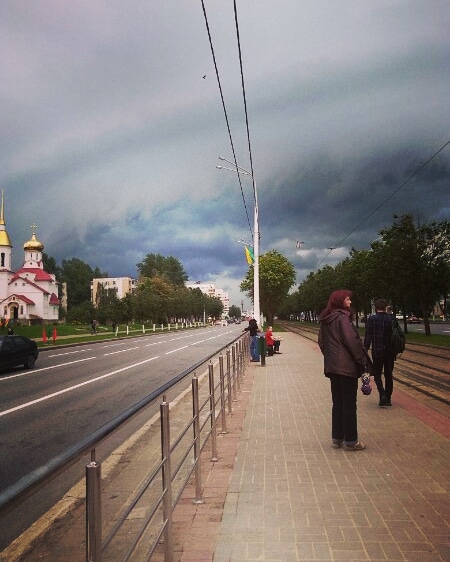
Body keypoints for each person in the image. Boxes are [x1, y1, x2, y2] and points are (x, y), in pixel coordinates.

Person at [318, 289, 368, 451]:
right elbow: (351, 341)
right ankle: (352, 441)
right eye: (348, 300)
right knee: (349, 403)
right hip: (347, 368)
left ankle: (337, 437)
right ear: (340, 301)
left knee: (337, 402)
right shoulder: (343, 318)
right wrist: (361, 362)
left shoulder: (326, 319)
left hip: (333, 368)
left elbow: (322, 342)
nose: (350, 302)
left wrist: (331, 358)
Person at [364, 298, 395, 407]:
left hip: (377, 351)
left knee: (377, 374)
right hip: (390, 352)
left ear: (376, 308)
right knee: (388, 374)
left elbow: (368, 336)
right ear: (386, 307)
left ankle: (382, 394)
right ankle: (388, 398)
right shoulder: (391, 319)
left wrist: (365, 349)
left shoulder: (371, 319)